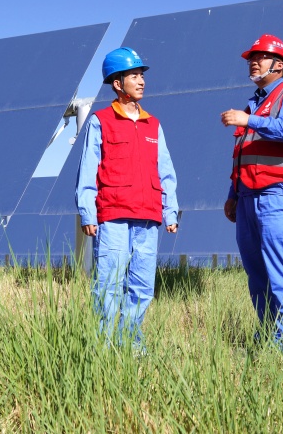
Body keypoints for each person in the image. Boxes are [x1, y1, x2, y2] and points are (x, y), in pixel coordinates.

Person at [76, 47, 179, 350]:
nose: (141, 80)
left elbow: (166, 170)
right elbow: (87, 170)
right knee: (109, 285)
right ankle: (104, 348)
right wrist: (88, 212)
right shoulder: (101, 121)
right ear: (117, 83)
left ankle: (133, 346)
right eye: (134, 75)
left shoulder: (153, 124)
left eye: (142, 75)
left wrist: (170, 210)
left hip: (147, 216)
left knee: (142, 287)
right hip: (113, 216)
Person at [220, 34, 283, 355]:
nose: (253, 62)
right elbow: (243, 152)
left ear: (280, 64)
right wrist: (233, 193)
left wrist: (250, 120)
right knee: (256, 274)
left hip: (278, 195)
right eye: (251, 57)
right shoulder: (253, 104)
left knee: (281, 270)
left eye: (260, 56)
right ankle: (268, 338)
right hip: (247, 198)